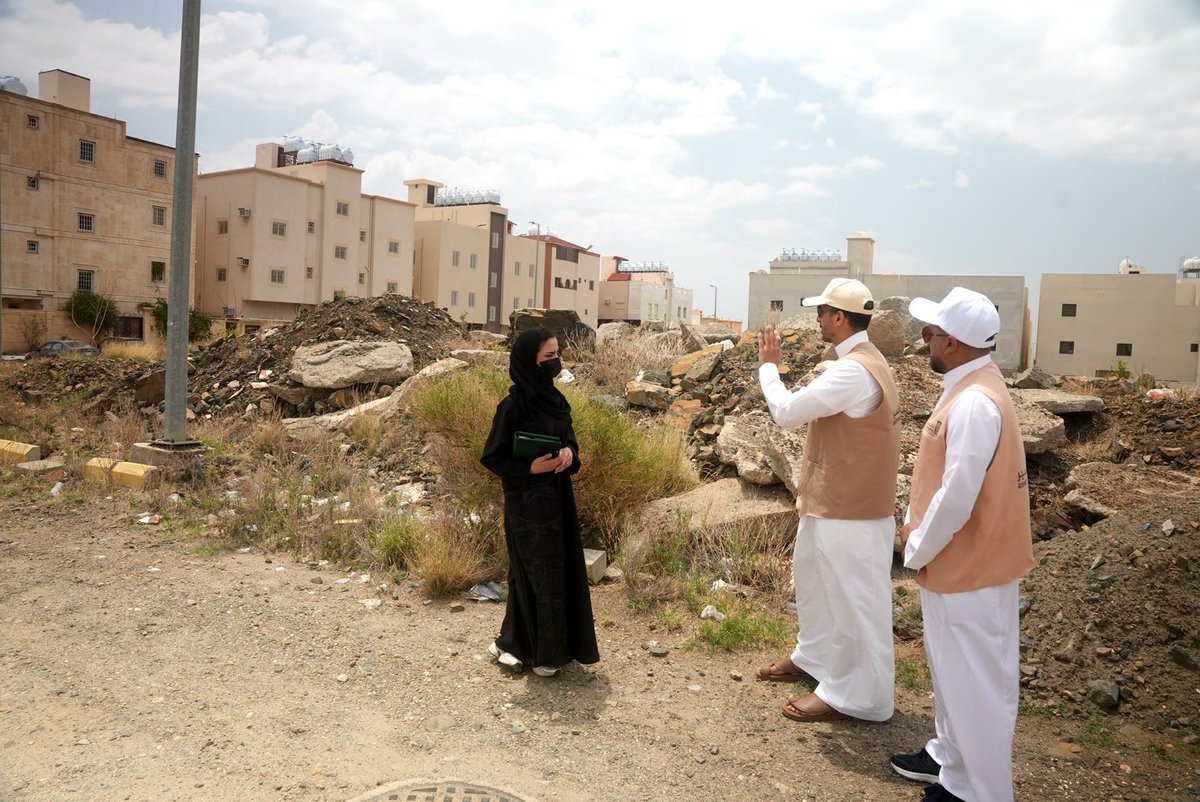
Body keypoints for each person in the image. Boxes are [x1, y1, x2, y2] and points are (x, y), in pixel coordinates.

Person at [890, 287, 1034, 802]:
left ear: (950, 342)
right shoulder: (970, 384)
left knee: (977, 686)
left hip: (969, 565)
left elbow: (957, 496)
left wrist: (917, 546)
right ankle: (950, 762)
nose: (922, 340)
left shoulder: (974, 402)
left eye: (928, 333)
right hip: (959, 562)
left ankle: (978, 793)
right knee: (954, 674)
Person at [755, 277, 900, 723]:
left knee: (856, 603)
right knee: (815, 584)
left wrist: (769, 367)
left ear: (839, 317)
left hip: (851, 512)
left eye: (821, 312)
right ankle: (814, 659)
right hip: (831, 503)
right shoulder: (860, 362)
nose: (817, 319)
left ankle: (860, 697)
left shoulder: (854, 370)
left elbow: (786, 413)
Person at [480, 327, 600, 677]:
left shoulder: (557, 400)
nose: (556, 361)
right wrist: (529, 466)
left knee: (553, 573)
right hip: (526, 505)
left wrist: (567, 454)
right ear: (530, 361)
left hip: (559, 501)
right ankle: (544, 653)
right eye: (549, 356)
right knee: (536, 574)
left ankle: (512, 643)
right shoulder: (512, 406)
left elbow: (573, 447)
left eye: (557, 354)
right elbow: (492, 457)